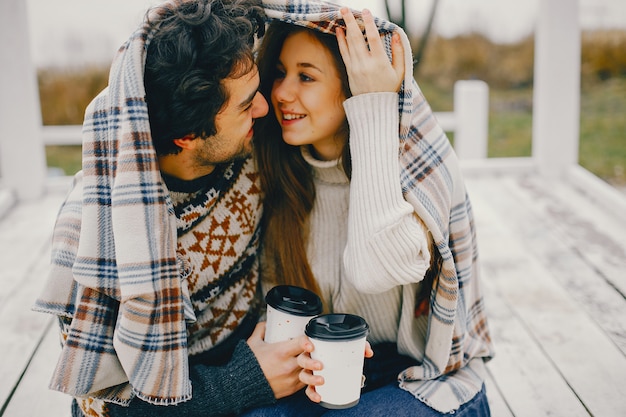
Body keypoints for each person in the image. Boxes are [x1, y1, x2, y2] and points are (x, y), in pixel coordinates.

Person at [33, 1, 316, 416]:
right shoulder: (96, 236)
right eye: (245, 104)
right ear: (186, 135)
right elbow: (104, 409)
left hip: (262, 353)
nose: (263, 107)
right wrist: (248, 379)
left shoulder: (248, 147)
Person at [248, 2, 495, 416]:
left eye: (306, 76)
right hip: (333, 376)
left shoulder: (415, 172)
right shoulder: (282, 177)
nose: (281, 93)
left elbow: (373, 268)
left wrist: (376, 105)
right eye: (280, 73)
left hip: (424, 380)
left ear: (354, 86)